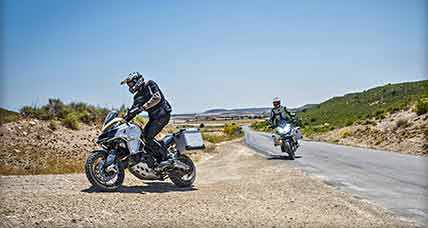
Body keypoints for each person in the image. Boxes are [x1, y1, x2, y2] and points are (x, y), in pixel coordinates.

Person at [121, 72, 172, 163]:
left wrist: (144, 107)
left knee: (148, 137)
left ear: (137, 81)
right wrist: (123, 120)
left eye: (131, 84)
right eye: (129, 85)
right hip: (154, 118)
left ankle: (165, 157)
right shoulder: (137, 96)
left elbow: (157, 97)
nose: (130, 86)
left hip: (163, 115)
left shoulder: (150, 84)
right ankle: (153, 158)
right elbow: (133, 110)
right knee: (143, 137)